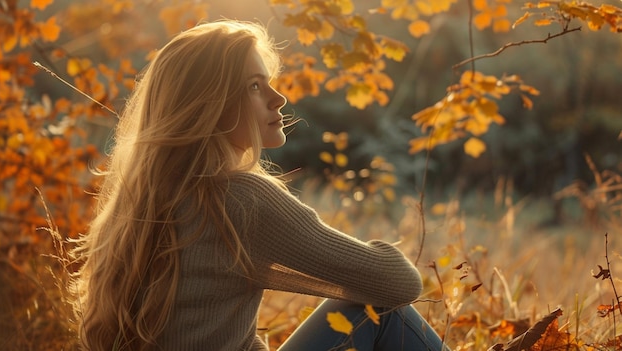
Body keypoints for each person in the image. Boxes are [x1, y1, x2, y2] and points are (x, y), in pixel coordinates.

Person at [71, 20, 448, 351]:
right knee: (376, 309)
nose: (278, 99)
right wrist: (376, 254)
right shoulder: (239, 199)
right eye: (254, 86)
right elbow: (398, 283)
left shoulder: (141, 200)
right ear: (209, 103)